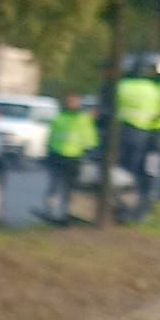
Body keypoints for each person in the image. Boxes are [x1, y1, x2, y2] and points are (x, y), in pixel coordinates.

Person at [116, 55, 160, 220]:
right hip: (142, 134)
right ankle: (132, 206)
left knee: (121, 168)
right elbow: (157, 111)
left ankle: (119, 204)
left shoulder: (123, 86)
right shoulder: (153, 90)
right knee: (137, 170)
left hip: (122, 131)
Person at [44, 93, 98, 223]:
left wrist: (90, 152)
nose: (72, 104)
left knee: (69, 187)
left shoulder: (82, 119)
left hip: (75, 158)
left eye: (74, 102)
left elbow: (90, 138)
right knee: (55, 185)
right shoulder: (59, 118)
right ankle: (51, 211)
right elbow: (51, 137)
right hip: (58, 155)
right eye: (70, 102)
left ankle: (66, 211)